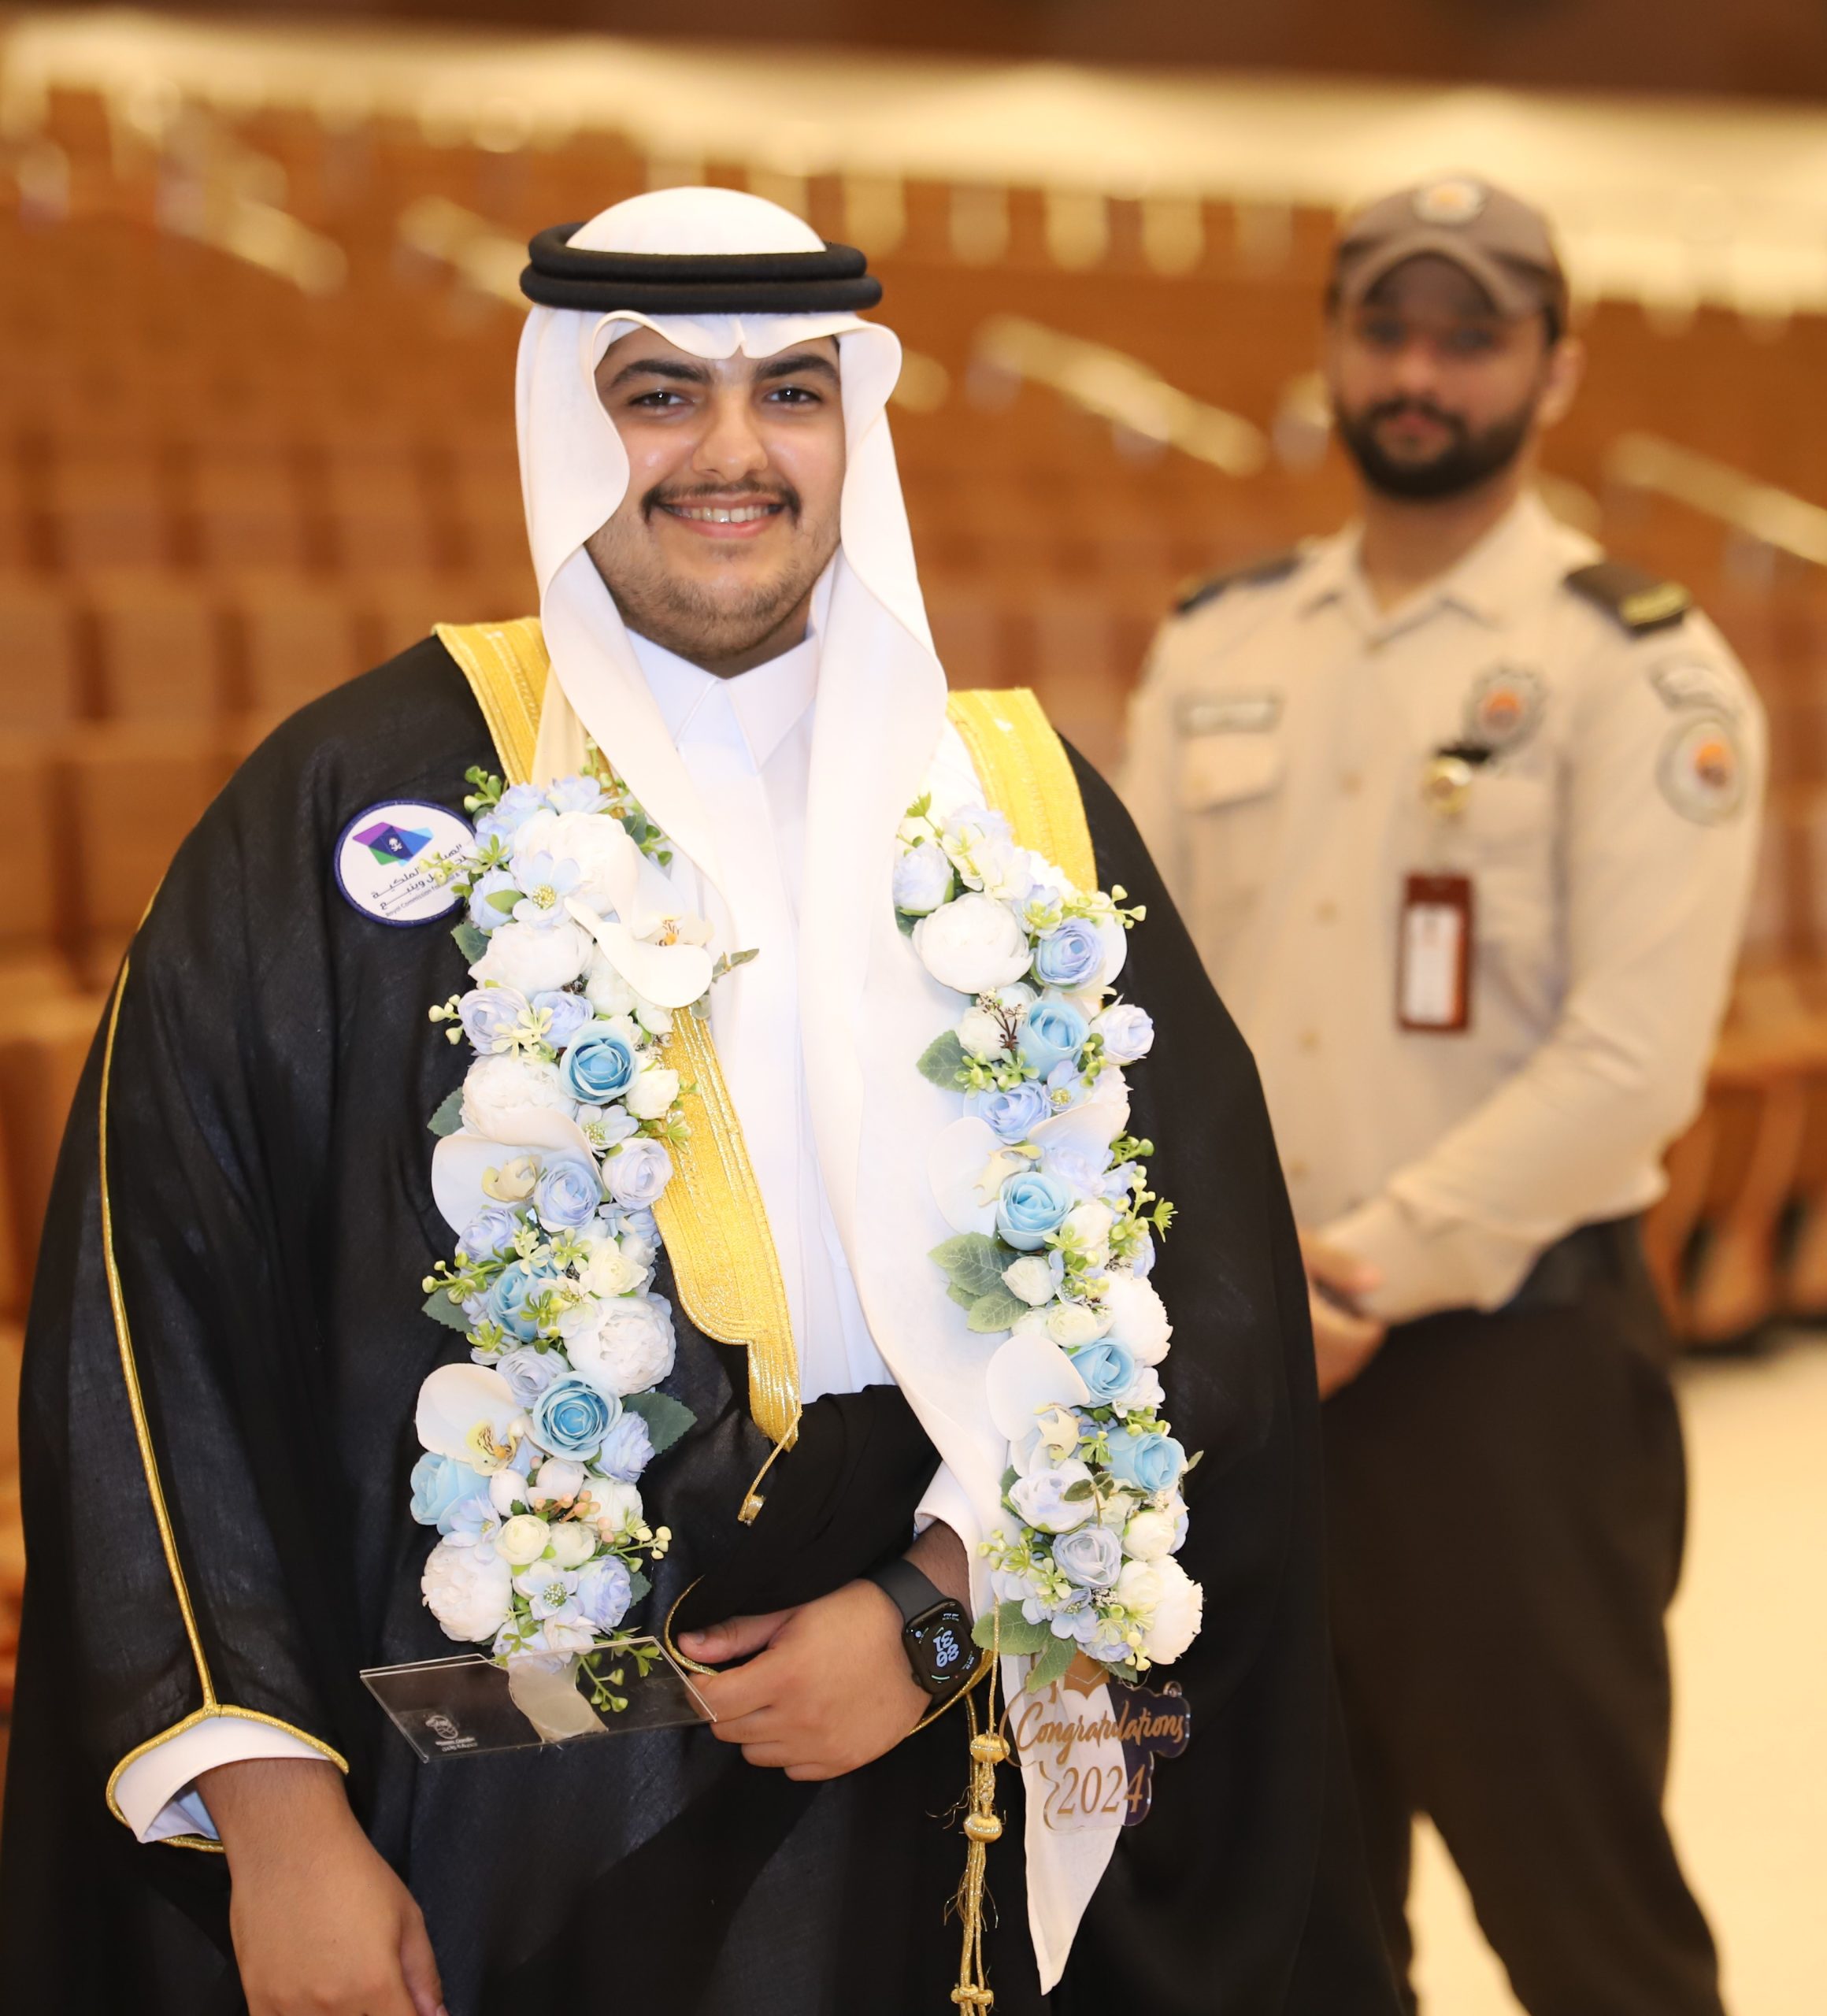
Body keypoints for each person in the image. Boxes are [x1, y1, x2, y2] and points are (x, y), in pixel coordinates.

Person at [1, 189, 1396, 2016]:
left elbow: (1203, 1298)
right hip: (517, 1815)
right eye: (659, 392)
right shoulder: (357, 805)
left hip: (956, 1728)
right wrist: (276, 1823)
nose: (732, 451)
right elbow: (153, 1322)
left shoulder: (1024, 810)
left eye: (789, 392)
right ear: (565, 422)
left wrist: (930, 1614)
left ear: (851, 425)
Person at [1121, 176, 1758, 2016]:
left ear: (1552, 372)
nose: (1417, 372)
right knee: (1287, 1919)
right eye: (1383, 329)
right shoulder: (1219, 642)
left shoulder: (1635, 666)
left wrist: (1363, 1267)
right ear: (1330, 349)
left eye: (1469, 337)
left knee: (1583, 1923)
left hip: (1506, 1387)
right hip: (1243, 1387)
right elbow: (1135, 1002)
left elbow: (1629, 1062)